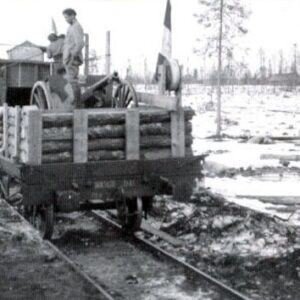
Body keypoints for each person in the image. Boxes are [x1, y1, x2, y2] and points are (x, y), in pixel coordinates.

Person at [62, 8, 85, 108]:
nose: (65, 19)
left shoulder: (76, 27)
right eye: (65, 17)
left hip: (72, 58)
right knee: (72, 81)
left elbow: (80, 43)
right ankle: (76, 102)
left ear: (73, 16)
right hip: (68, 58)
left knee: (73, 81)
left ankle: (78, 104)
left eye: (67, 17)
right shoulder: (71, 27)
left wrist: (72, 55)